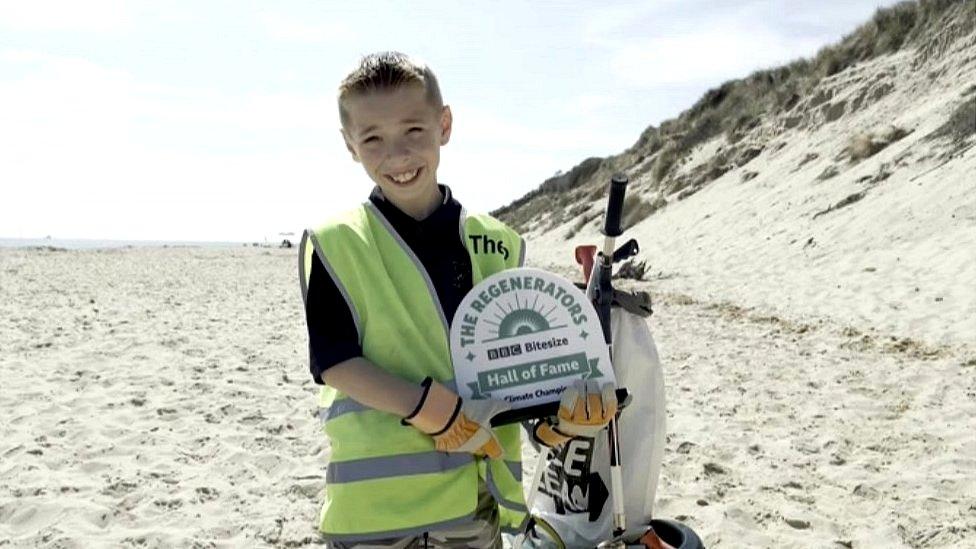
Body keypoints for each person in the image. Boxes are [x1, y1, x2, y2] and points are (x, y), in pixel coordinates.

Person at [299, 51, 616, 548]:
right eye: (373, 139)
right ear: (350, 146)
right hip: (370, 518)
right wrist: (427, 408)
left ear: (444, 125)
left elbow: (523, 386)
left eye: (414, 131)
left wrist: (564, 425)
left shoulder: (499, 244)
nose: (398, 156)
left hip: (472, 510)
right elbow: (334, 361)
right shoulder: (337, 243)